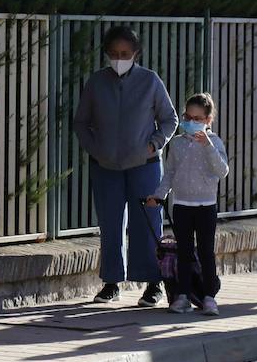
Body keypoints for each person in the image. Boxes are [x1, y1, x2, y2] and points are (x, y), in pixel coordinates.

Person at [73, 25, 178, 307]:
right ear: (107, 54)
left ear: (136, 54)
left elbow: (170, 119)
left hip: (144, 165)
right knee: (110, 223)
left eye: (125, 53)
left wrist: (154, 144)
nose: (119, 58)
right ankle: (111, 282)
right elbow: (81, 122)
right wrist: (95, 148)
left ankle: (154, 283)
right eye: (114, 53)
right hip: (105, 166)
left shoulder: (150, 81)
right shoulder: (96, 82)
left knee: (148, 223)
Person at [147, 92, 229, 317]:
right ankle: (181, 296)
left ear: (207, 120)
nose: (191, 123)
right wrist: (159, 195)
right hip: (182, 205)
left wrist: (208, 146)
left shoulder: (216, 142)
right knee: (183, 252)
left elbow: (222, 170)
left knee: (205, 252)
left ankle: (209, 297)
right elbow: (170, 174)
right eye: (188, 117)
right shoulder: (177, 143)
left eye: (198, 119)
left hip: (206, 206)